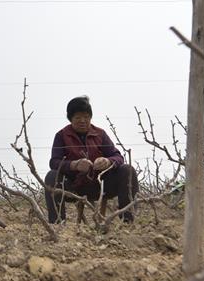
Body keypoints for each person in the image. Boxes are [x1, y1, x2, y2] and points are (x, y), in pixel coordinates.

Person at [45, 96, 139, 224]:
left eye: (86, 117)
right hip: (74, 186)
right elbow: (54, 162)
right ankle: (57, 224)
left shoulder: (100, 134)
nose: (83, 121)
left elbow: (117, 157)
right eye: (78, 118)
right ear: (70, 118)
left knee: (127, 170)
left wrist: (107, 161)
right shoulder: (61, 136)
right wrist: (74, 165)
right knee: (52, 176)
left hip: (101, 185)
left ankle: (128, 221)